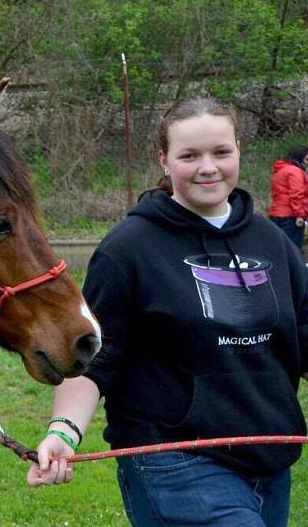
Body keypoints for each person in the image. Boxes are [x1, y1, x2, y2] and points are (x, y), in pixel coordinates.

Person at [27, 97, 308, 527]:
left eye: (221, 152)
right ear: (164, 160)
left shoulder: (271, 242)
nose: (208, 167)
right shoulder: (129, 249)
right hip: (173, 461)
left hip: (270, 458)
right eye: (189, 155)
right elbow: (93, 359)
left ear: (239, 152)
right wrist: (63, 432)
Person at [269, 145, 308, 256]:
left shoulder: (281, 170)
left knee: (279, 249)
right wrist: (300, 215)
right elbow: (296, 194)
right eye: (307, 159)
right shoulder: (295, 171)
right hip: (291, 216)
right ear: (299, 157)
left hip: (277, 214)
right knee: (293, 251)